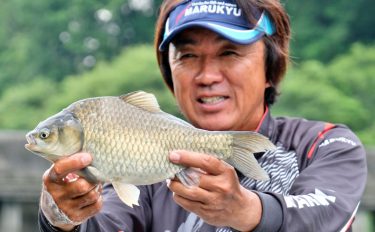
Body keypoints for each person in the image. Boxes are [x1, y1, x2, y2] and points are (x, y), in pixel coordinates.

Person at [38, 0, 367, 231]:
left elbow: (327, 216)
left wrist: (246, 210)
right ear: (170, 72)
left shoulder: (325, 144)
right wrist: (63, 218)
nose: (207, 75)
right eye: (189, 55)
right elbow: (108, 221)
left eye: (229, 52)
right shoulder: (147, 162)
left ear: (271, 66)